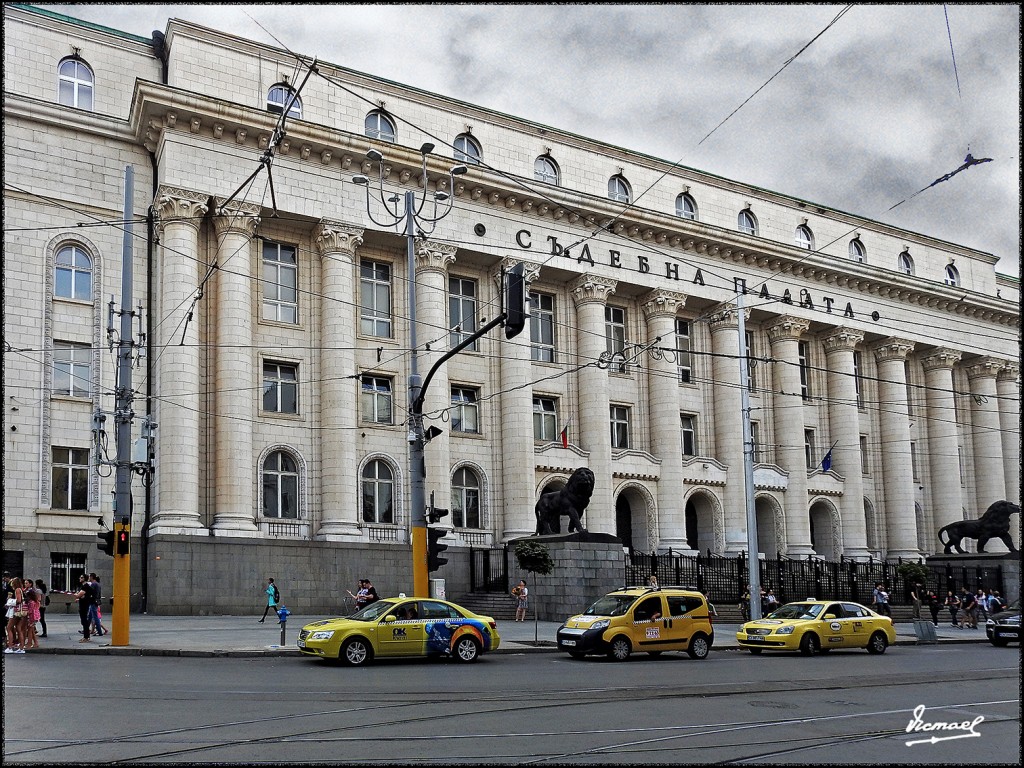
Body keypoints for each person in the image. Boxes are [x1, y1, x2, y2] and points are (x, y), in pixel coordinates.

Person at [4, 577, 26, 653]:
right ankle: (21, 648)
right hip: (20, 612)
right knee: (18, 628)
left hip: (16, 612)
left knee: (8, 628)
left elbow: (19, 600)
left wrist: (10, 602)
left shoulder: (17, 590)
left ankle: (10, 647)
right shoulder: (21, 589)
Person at [73, 574, 95, 643]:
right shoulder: (84, 586)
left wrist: (77, 595)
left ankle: (86, 637)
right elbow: (83, 595)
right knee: (84, 621)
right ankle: (86, 636)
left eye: (81, 577)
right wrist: (80, 597)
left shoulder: (85, 586)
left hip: (84, 606)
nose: (80, 578)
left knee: (84, 621)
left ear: (84, 579)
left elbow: (78, 595)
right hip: (84, 605)